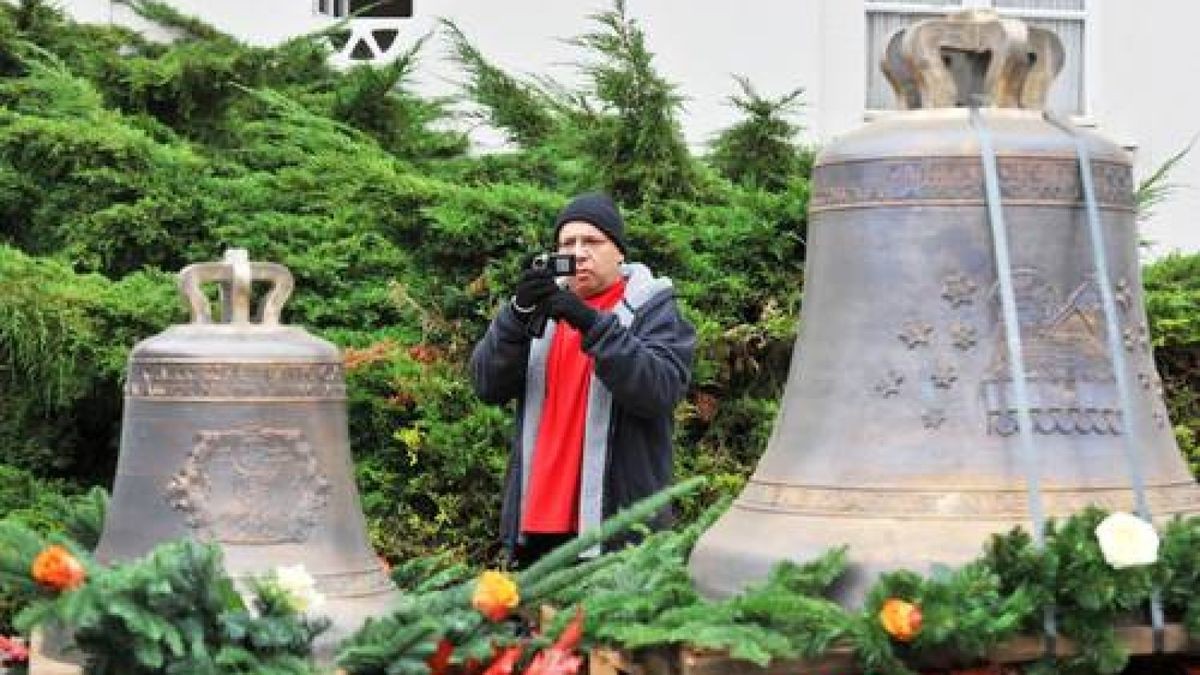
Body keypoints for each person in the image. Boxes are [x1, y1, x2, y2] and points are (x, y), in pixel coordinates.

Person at [470, 192, 697, 568]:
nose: (579, 252)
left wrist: (591, 323)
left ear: (619, 252)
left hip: (619, 530)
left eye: (592, 241)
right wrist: (516, 315)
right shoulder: (539, 311)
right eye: (567, 243)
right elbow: (486, 385)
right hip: (535, 524)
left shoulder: (652, 310)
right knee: (540, 628)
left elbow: (660, 390)